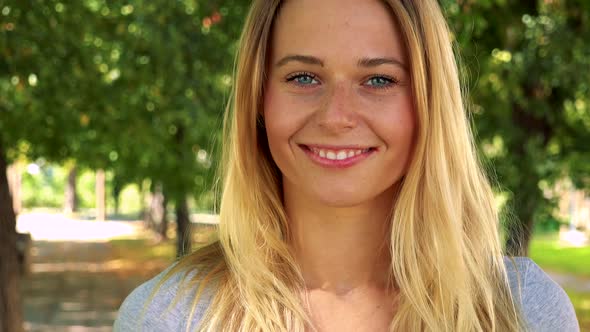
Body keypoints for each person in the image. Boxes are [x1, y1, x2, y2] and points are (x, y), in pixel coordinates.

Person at [114, 0, 579, 331]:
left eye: (378, 79)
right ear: (259, 98)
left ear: (428, 103)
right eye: (302, 77)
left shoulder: (522, 311)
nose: (336, 116)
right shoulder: (171, 315)